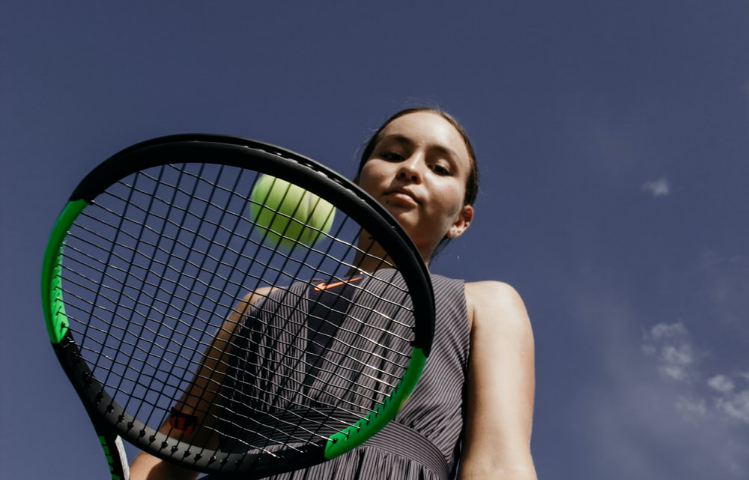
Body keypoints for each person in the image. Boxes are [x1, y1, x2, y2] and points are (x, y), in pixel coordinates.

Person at [129, 107, 537, 479]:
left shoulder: (486, 305)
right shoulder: (259, 304)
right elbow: (171, 452)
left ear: (461, 220)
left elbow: (498, 464)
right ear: (357, 184)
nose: (411, 170)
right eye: (393, 155)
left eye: (440, 167)